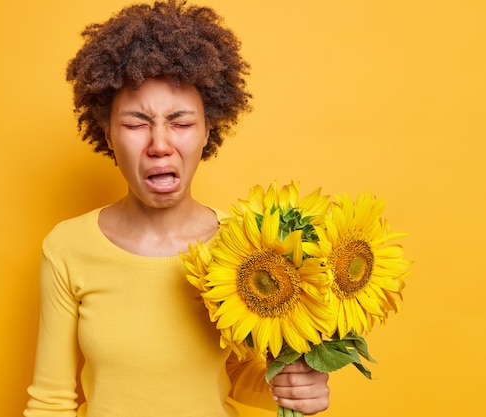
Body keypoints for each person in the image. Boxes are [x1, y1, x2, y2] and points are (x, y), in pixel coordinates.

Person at [24, 1, 330, 416]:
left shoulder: (247, 246)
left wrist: (295, 383)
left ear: (208, 130)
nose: (160, 145)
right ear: (107, 133)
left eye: (181, 123)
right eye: (135, 124)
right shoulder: (67, 247)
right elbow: (51, 401)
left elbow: (236, 373)